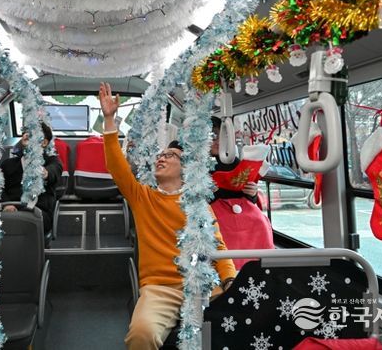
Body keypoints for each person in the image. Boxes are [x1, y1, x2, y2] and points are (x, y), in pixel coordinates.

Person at [99, 82, 236, 350]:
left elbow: (217, 247)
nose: (161, 158)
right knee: (141, 334)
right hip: (160, 288)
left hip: (202, 284)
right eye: (160, 155)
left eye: (170, 155)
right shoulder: (142, 197)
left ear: (185, 169)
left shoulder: (198, 204)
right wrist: (109, 120)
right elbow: (116, 166)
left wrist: (230, 279)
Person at [210, 116, 274, 269]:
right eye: (212, 136)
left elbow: (248, 198)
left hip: (242, 210)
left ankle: (259, 267)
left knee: (260, 221)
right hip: (213, 211)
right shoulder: (194, 166)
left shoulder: (233, 162)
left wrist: (252, 193)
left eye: (220, 137)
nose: (217, 141)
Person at [0, 122, 62, 235]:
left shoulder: (52, 161)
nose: (27, 135)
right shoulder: (8, 164)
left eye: (33, 133)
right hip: (8, 208)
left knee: (24, 220)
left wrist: (43, 172)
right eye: (25, 132)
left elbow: (53, 172)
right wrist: (7, 204)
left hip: (38, 212)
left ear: (44, 142)